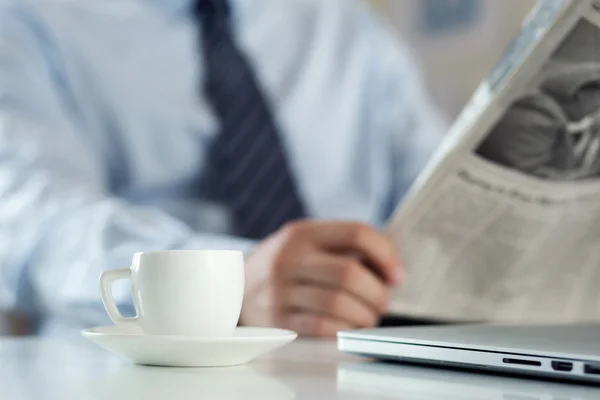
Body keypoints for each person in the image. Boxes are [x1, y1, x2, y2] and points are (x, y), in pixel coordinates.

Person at [0, 0, 446, 337]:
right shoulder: (26, 20)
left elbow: (438, 193)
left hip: (372, 351)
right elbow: (38, 228)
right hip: (153, 369)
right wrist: (227, 286)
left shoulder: (341, 20)